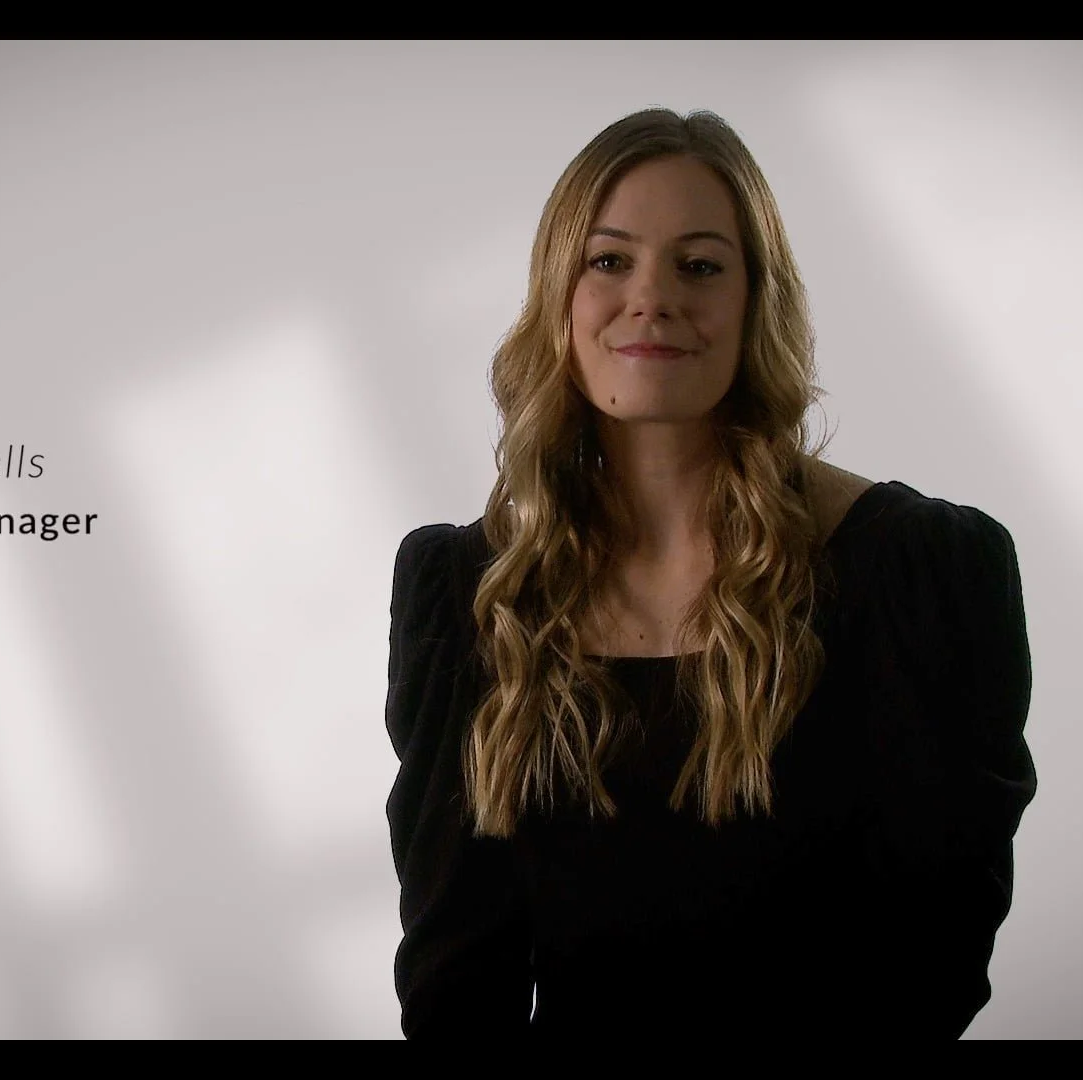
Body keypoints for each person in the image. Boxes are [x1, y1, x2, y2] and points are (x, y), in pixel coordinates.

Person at [384, 107, 1038, 1039]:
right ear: (559, 295)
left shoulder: (920, 570)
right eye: (609, 260)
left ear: (756, 301)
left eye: (698, 265)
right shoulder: (466, 591)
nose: (651, 298)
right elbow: (456, 982)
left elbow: (929, 960)